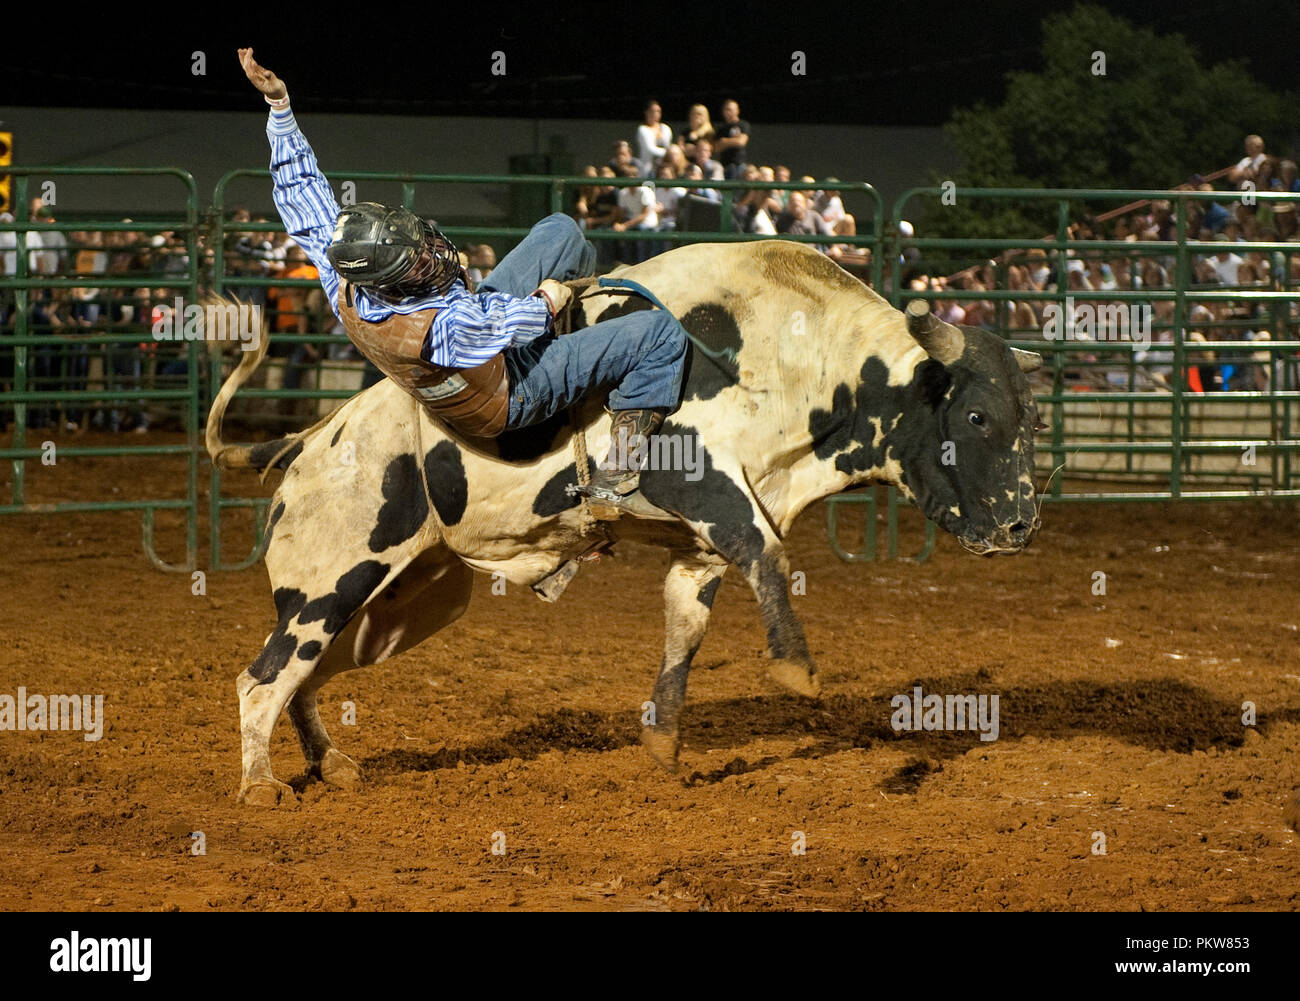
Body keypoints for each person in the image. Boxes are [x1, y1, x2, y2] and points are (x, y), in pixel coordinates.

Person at [238, 48, 687, 508]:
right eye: (417, 262)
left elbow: (300, 190)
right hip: (508, 393)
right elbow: (516, 322)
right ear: (393, 282)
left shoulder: (345, 277)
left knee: (562, 231)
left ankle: (587, 352)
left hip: (468, 360)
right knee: (660, 334)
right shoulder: (445, 324)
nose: (431, 256)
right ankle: (620, 469)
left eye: (420, 248)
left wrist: (280, 107)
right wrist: (549, 301)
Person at [713, 100, 750, 180]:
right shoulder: (721, 129)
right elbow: (716, 148)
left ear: (737, 110)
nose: (728, 112)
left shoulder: (743, 125)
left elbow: (741, 142)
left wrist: (724, 141)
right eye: (726, 110)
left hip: (739, 164)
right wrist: (733, 141)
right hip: (724, 165)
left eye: (731, 109)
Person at [635, 101, 673, 176]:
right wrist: (668, 153)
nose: (655, 114)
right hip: (647, 168)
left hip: (663, 168)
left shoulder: (665, 128)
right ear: (646, 112)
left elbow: (668, 146)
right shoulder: (642, 129)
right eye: (652, 111)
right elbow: (650, 149)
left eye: (658, 111)